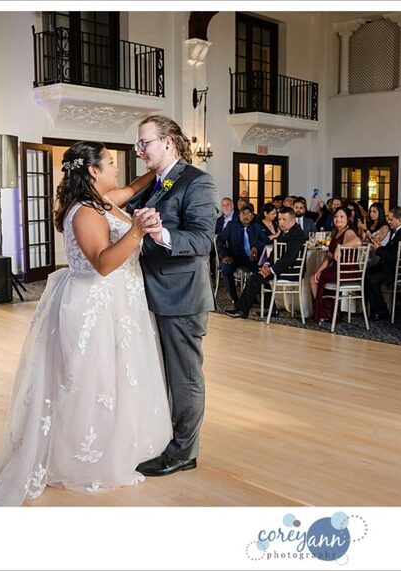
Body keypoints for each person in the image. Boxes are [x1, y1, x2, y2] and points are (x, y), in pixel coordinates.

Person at [0, 142, 172, 506]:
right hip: (96, 304)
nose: (116, 168)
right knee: (92, 380)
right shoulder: (85, 212)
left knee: (115, 377)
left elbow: (135, 187)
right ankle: (83, 457)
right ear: (92, 171)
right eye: (110, 163)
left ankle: (117, 443)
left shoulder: (104, 201)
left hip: (119, 305)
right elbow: (103, 264)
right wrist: (136, 231)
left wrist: (163, 164)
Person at [127, 114, 220, 477]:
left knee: (184, 378)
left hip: (181, 296)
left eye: (144, 142)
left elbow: (200, 241)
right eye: (138, 143)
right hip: (152, 293)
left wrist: (160, 233)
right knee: (160, 374)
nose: (139, 150)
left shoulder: (198, 182)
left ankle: (184, 452)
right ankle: (163, 437)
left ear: (167, 142)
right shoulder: (156, 183)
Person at [224, 207, 307, 319]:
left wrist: (271, 270)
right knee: (258, 275)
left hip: (292, 271)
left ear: (292, 220)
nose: (280, 222)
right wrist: (267, 264)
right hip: (282, 269)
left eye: (284, 219)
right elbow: (274, 252)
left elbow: (289, 258)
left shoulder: (297, 235)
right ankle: (272, 310)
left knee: (255, 278)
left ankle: (242, 310)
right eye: (280, 219)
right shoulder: (284, 232)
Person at [310, 207, 362, 323]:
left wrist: (341, 247)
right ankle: (325, 312)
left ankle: (326, 313)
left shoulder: (348, 231)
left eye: (342, 217)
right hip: (337, 269)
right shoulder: (337, 232)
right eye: (336, 216)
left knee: (320, 277)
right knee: (314, 278)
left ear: (348, 219)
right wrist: (318, 270)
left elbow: (357, 242)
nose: (338, 219)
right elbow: (328, 257)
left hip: (348, 271)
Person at [364, 206, 401, 321]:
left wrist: (378, 250)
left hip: (396, 270)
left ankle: (380, 310)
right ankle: (375, 308)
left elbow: (393, 259)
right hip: (392, 267)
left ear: (400, 220)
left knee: (372, 279)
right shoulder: (400, 231)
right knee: (366, 274)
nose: (389, 222)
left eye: (391, 220)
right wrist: (379, 247)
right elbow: (390, 250)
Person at [216, 204, 260, 304]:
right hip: (234, 257)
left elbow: (264, 241)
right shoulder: (232, 225)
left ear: (252, 216)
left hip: (251, 258)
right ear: (238, 215)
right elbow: (219, 240)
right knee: (226, 267)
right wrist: (225, 255)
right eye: (243, 213)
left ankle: (255, 297)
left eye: (248, 214)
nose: (246, 216)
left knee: (261, 268)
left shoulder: (257, 226)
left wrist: (256, 248)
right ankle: (234, 298)